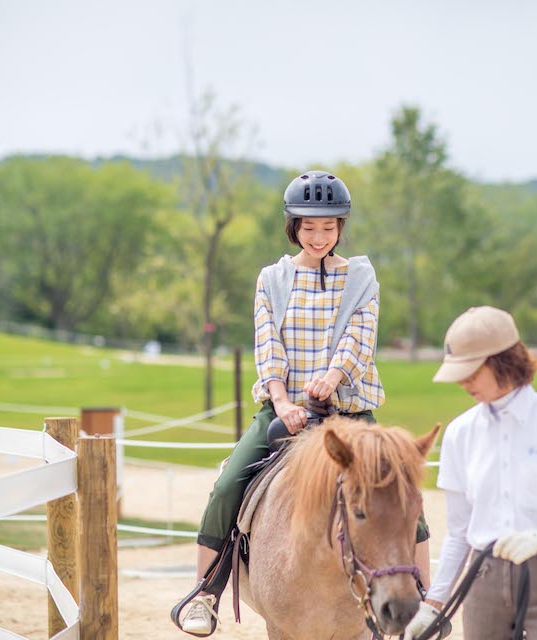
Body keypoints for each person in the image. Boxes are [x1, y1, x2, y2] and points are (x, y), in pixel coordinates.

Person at [179, 170, 431, 636]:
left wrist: (334, 378)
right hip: (284, 408)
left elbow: (361, 335)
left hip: (348, 410)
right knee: (228, 482)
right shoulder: (272, 279)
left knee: (399, 489)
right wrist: (280, 400)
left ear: (341, 228)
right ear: (293, 227)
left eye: (329, 227)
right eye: (309, 227)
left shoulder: (361, 277)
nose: (319, 236)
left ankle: (424, 600)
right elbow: (267, 344)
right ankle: (205, 592)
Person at [406, 306, 537, 639]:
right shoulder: (460, 433)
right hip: (482, 581)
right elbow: (459, 534)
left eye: (472, 372)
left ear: (504, 361)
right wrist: (433, 603)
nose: (463, 383)